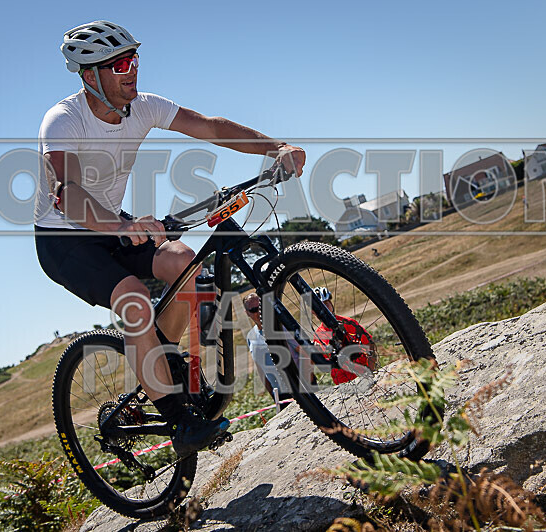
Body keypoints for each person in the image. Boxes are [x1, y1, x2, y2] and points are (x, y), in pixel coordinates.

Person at [34, 21, 305, 457]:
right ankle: (179, 422)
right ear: (89, 77)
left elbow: (211, 127)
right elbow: (67, 193)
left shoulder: (144, 106)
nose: (131, 70)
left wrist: (276, 146)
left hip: (114, 224)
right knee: (134, 297)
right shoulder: (64, 120)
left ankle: (159, 357)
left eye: (134, 60)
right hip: (64, 237)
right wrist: (121, 228)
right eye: (119, 64)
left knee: (185, 262)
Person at [311, 287, 377, 385]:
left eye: (326, 304)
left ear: (331, 303)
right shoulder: (318, 335)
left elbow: (370, 344)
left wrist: (372, 370)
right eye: (319, 307)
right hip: (342, 382)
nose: (324, 309)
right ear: (313, 311)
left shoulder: (348, 323)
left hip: (363, 374)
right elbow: (323, 362)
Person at [243, 293, 291, 400]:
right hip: (280, 394)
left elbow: (301, 352)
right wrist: (273, 396)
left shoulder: (280, 325)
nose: (259, 312)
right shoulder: (250, 337)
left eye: (260, 307)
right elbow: (261, 369)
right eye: (254, 310)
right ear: (247, 313)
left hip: (299, 386)